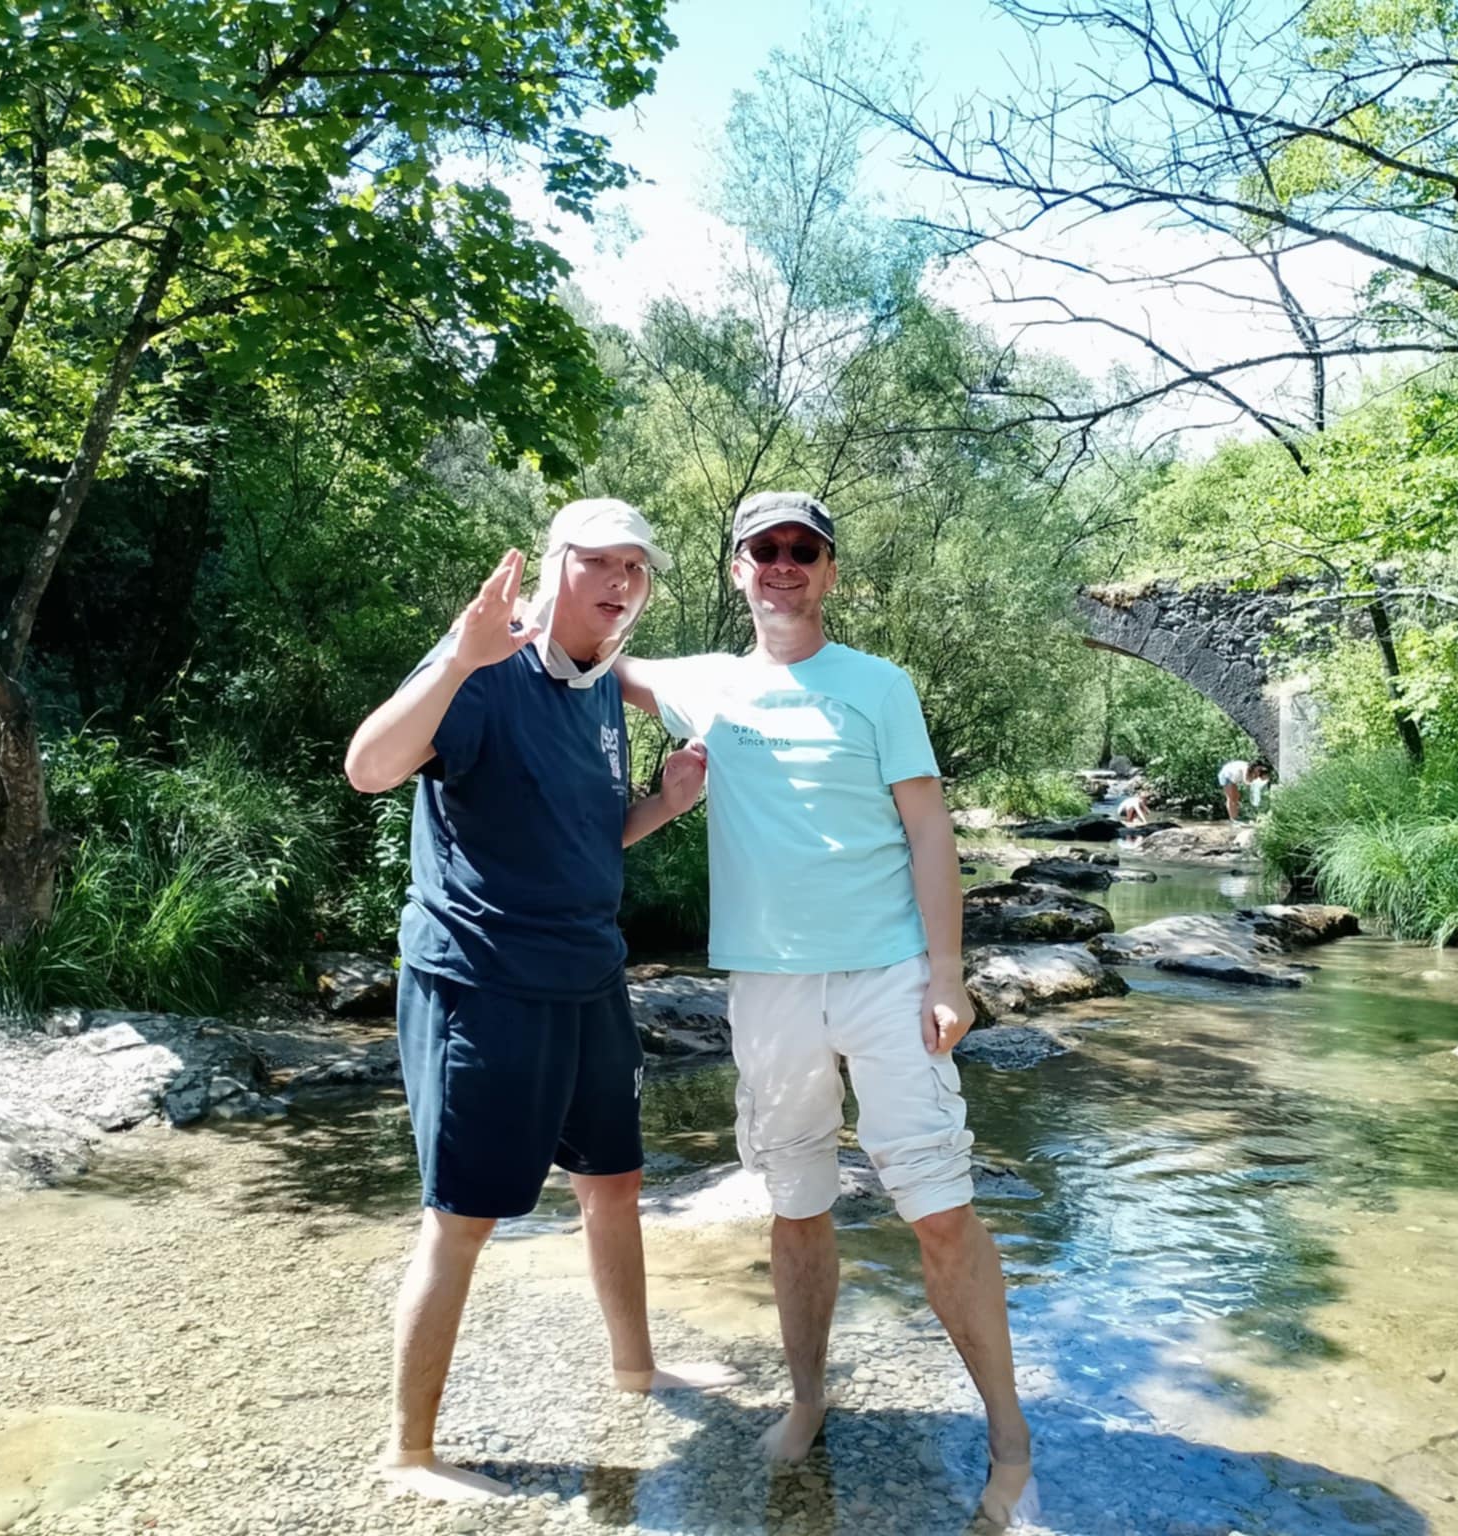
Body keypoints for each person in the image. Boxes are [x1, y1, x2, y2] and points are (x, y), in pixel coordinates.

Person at [615, 491, 1037, 1528]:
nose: (782, 564)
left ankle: (1009, 1436)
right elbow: (588, 648)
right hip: (766, 986)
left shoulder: (877, 686)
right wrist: (503, 626)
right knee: (795, 1204)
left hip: (887, 974)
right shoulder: (703, 685)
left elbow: (929, 830)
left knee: (938, 1209)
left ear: (829, 571)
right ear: (736, 570)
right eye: (763, 549)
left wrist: (947, 973)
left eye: (802, 550)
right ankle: (807, 1400)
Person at [344, 499, 736, 1504]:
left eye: (635, 569)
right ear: (556, 565)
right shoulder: (484, 665)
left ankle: (636, 1368)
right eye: (598, 562)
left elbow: (584, 836)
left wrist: (664, 806)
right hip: (483, 982)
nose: (619, 582)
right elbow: (368, 769)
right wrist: (457, 657)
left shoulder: (599, 685)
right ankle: (409, 1452)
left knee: (614, 1181)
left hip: (588, 976)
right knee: (463, 1218)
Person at [1218, 757, 1274, 822]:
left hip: (1232, 779)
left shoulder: (1254, 772)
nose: (1259, 771)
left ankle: (1235, 818)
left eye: (1260, 770)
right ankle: (1233, 819)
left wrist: (1260, 777)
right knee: (1231, 798)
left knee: (1236, 797)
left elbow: (1259, 780)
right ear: (1254, 766)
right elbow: (1246, 781)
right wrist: (1255, 778)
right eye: (1258, 769)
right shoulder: (1246, 768)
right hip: (1225, 775)